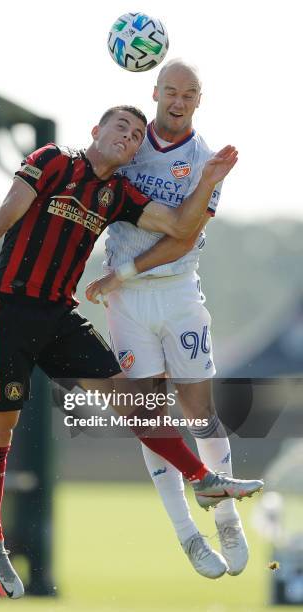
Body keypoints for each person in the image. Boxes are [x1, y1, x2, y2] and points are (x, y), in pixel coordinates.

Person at [0, 105, 262, 598]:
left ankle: (202, 479)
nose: (128, 136)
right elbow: (7, 212)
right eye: (119, 126)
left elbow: (179, 227)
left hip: (59, 317)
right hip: (9, 309)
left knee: (132, 399)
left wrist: (208, 180)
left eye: (135, 134)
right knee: (1, 429)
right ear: (95, 131)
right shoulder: (53, 161)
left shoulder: (117, 193)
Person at [85, 61, 249, 579]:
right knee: (150, 419)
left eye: (190, 93)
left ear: (200, 100)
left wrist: (123, 273)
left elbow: (183, 234)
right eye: (171, 91)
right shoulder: (129, 145)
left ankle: (226, 518)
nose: (178, 100)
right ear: (154, 92)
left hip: (176, 291)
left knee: (199, 409)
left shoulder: (208, 161)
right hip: (126, 303)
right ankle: (188, 537)